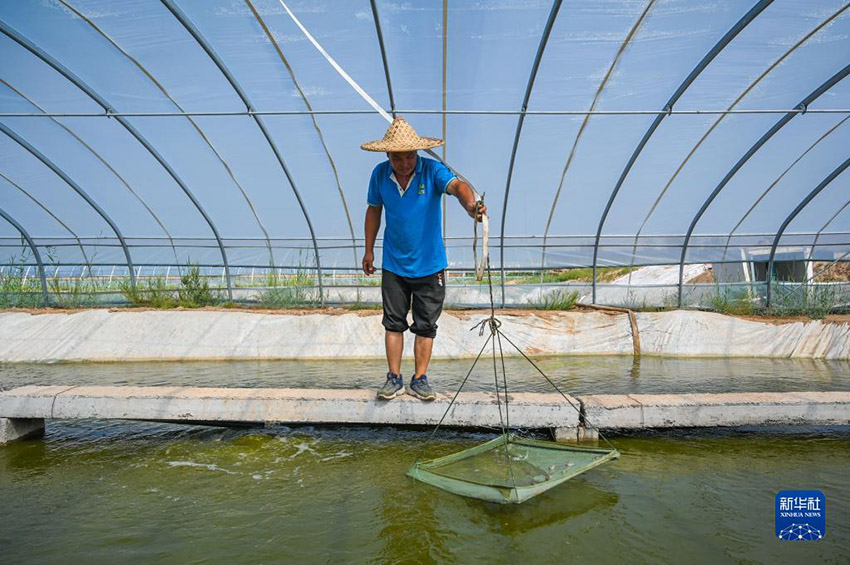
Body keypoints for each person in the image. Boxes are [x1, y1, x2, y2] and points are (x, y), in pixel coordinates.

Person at [361, 116, 486, 401]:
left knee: (425, 325)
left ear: (417, 153)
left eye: (409, 157)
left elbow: (457, 186)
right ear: (388, 155)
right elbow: (373, 211)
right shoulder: (380, 175)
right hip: (394, 263)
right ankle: (394, 379)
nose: (404, 164)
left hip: (430, 264)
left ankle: (420, 379)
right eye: (397, 158)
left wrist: (470, 205)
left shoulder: (431, 171)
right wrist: (369, 250)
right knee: (393, 322)